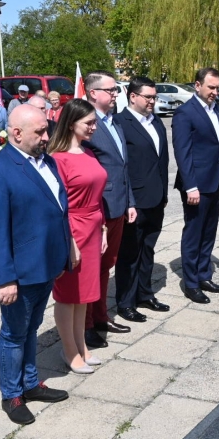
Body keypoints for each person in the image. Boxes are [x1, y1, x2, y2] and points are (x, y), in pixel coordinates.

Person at [0, 104, 72, 425]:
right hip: (20, 271)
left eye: (47, 130)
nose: (47, 137)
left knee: (32, 328)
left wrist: (65, 251)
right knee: (14, 333)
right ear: (16, 133)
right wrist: (5, 279)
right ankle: (12, 394)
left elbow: (58, 210)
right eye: (40, 132)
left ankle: (30, 383)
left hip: (47, 264)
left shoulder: (47, 162)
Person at [48, 99, 108, 374]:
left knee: (84, 294)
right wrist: (69, 240)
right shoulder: (57, 159)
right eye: (89, 123)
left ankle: (81, 346)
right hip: (72, 229)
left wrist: (103, 228)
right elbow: (57, 205)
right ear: (71, 123)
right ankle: (69, 350)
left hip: (93, 227)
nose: (94, 127)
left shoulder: (88, 152)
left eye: (95, 122)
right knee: (68, 294)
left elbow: (97, 195)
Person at [82, 71, 137, 347]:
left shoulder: (114, 121)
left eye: (116, 90)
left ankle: (101, 316)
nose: (116, 94)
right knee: (90, 269)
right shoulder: (86, 124)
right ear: (93, 93)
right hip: (97, 208)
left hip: (118, 206)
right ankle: (86, 325)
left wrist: (130, 201)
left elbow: (122, 167)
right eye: (111, 90)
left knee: (106, 266)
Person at [172, 67, 219, 304]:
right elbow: (182, 152)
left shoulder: (217, 110)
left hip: (214, 181)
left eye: (217, 87)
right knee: (194, 233)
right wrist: (190, 186)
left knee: (209, 232)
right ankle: (191, 283)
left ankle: (203, 275)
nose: (214, 92)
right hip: (195, 185)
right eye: (211, 87)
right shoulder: (184, 113)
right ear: (197, 85)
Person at [114, 77, 171, 317]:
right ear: (132, 96)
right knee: (129, 253)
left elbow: (162, 160)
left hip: (156, 198)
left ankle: (145, 294)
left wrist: (164, 192)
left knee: (148, 249)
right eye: (148, 97)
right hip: (134, 201)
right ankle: (126, 302)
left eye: (154, 97)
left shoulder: (156, 121)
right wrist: (128, 201)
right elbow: (121, 167)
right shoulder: (120, 123)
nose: (152, 101)